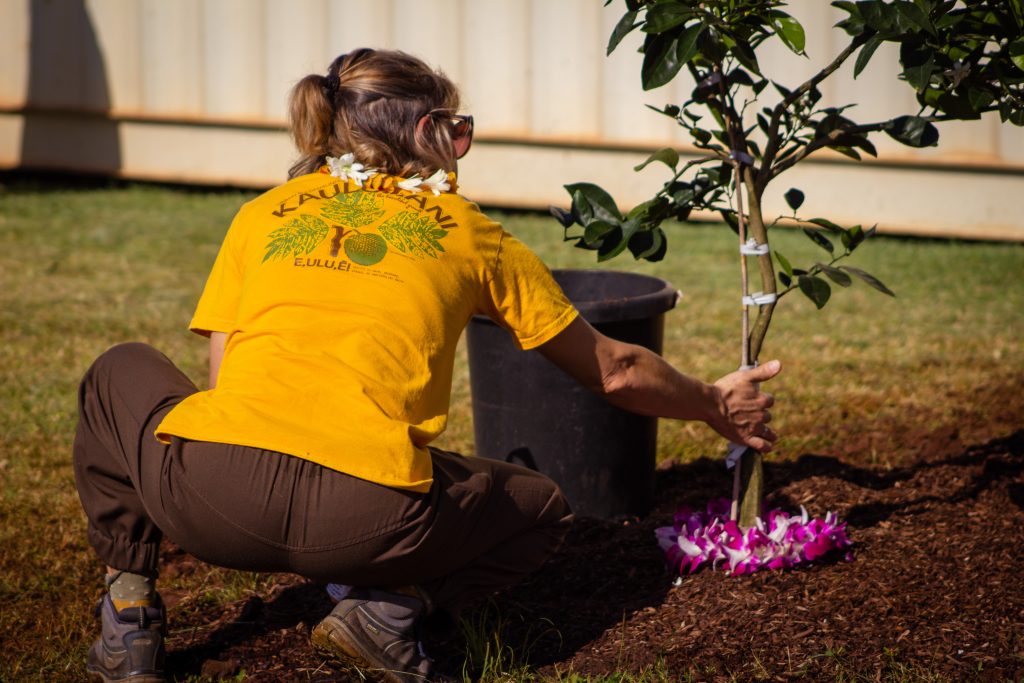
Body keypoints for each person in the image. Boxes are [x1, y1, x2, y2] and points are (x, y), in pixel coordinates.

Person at [73, 48, 780, 683]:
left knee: (119, 370)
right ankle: (385, 612)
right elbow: (616, 369)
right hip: (367, 516)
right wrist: (714, 402)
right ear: (422, 132)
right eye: (457, 129)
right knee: (540, 511)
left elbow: (226, 381)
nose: (461, 146)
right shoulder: (471, 233)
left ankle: (130, 618)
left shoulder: (263, 215)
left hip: (208, 501)